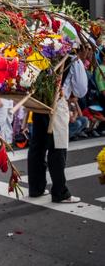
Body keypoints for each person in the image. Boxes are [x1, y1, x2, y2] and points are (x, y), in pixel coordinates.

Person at [27, 48, 88, 203]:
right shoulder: (73, 59)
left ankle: (36, 188)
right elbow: (81, 90)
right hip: (56, 102)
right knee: (58, 147)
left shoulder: (41, 51)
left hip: (39, 101)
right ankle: (60, 192)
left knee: (37, 146)